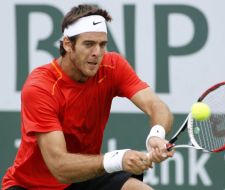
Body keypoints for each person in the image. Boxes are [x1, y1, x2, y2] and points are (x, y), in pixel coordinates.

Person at [2, 4, 174, 190]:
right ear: (68, 44)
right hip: (32, 186)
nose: (97, 53)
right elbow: (59, 167)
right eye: (89, 44)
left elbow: (155, 105)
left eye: (102, 44)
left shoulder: (112, 65)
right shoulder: (40, 87)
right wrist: (117, 160)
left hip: (83, 178)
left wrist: (156, 135)